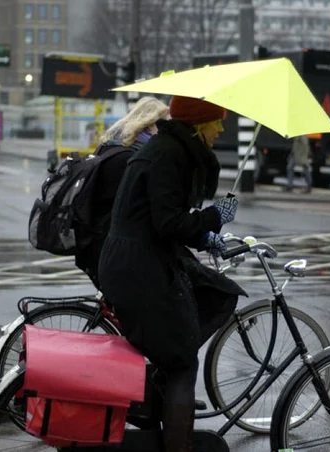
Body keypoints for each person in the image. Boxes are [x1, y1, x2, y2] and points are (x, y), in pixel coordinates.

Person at [98, 95, 246, 452]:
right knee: (182, 363)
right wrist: (215, 217)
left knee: (215, 295)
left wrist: (206, 236)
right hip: (141, 268)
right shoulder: (169, 155)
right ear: (198, 125)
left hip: (139, 262)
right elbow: (169, 222)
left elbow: (164, 217)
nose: (221, 129)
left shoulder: (170, 150)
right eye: (217, 122)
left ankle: (158, 400)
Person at [74, 96, 169, 290]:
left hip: (93, 243)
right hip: (111, 249)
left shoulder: (112, 146)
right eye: (164, 126)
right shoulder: (131, 158)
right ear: (151, 124)